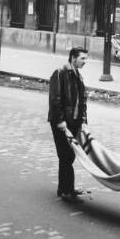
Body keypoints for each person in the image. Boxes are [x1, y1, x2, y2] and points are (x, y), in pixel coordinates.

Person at [48, 47, 89, 203]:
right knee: (65, 155)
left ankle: (65, 188)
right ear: (73, 58)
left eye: (86, 58)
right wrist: (60, 121)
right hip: (61, 122)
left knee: (70, 155)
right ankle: (66, 191)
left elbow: (82, 101)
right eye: (83, 58)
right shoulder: (60, 73)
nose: (85, 62)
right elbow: (55, 99)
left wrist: (83, 121)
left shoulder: (78, 75)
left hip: (73, 121)